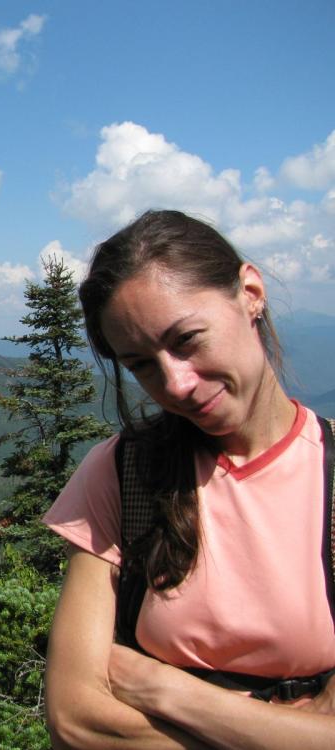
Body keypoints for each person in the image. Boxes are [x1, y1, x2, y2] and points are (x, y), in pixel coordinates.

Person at [42, 210, 335, 749]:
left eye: (186, 339)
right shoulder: (122, 473)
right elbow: (75, 720)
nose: (175, 384)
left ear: (250, 292)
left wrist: (166, 691)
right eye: (142, 365)